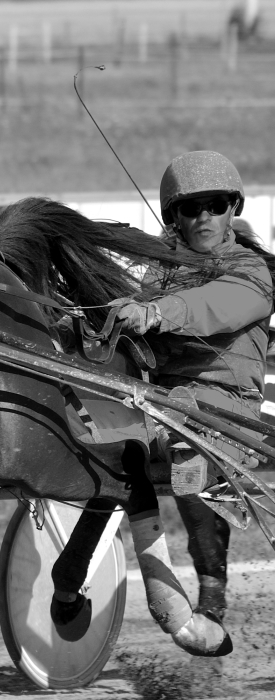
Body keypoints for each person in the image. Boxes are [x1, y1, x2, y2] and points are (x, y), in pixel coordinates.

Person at [106, 150, 275, 620]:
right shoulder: (157, 274)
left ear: (233, 209)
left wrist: (158, 312)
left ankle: (212, 596)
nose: (204, 216)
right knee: (108, 444)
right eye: (191, 208)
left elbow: (214, 305)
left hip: (226, 413)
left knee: (185, 433)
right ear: (173, 217)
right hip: (160, 406)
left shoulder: (252, 272)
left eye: (215, 205)